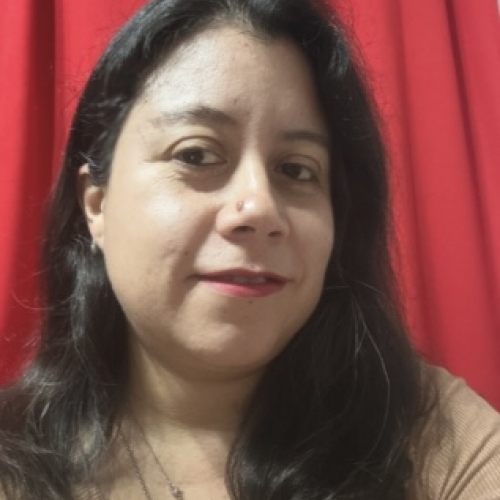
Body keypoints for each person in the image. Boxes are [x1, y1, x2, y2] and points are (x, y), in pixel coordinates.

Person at [1, 0, 499, 499]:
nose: (260, 207)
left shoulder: (437, 439)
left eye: (296, 169)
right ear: (97, 205)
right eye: (196, 154)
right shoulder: (15, 462)